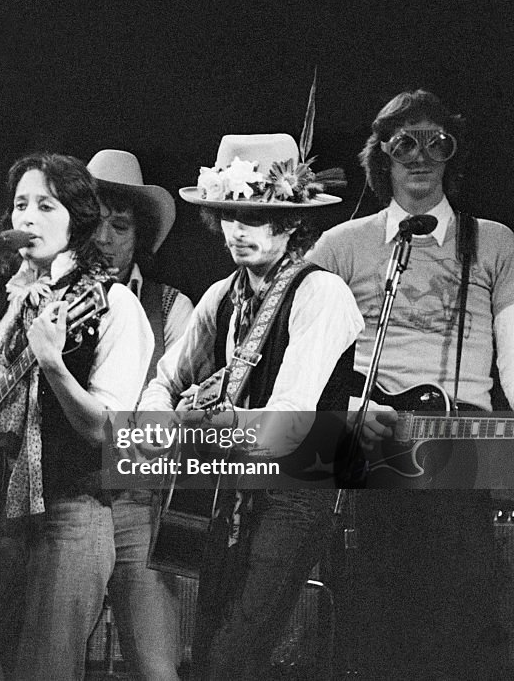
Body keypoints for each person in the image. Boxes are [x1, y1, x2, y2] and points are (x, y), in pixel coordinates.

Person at [0, 152, 152, 679]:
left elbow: (103, 430)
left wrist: (52, 362)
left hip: (69, 511)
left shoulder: (112, 304)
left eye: (46, 205)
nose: (27, 218)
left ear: (77, 219)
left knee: (44, 668)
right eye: (20, 205)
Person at [138, 133, 362, 679]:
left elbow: (289, 414)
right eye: (229, 214)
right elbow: (166, 379)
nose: (238, 230)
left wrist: (215, 423)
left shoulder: (321, 293)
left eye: (255, 216)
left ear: (290, 222)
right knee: (210, 632)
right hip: (228, 487)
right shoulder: (222, 295)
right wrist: (160, 418)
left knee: (238, 648)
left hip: (294, 488)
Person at [309, 88, 514, 677]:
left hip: (462, 440)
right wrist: (346, 411)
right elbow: (307, 348)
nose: (420, 156)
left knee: (466, 607)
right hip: (374, 437)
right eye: (405, 143)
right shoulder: (341, 245)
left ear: (453, 153)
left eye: (436, 142)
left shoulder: (494, 241)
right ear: (383, 155)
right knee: (376, 607)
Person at [87, 148, 192, 680]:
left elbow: (175, 408)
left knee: (156, 668)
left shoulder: (172, 307)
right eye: (94, 222)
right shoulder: (45, 295)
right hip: (67, 500)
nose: (103, 238)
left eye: (119, 226)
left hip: (137, 505)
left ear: (140, 237)